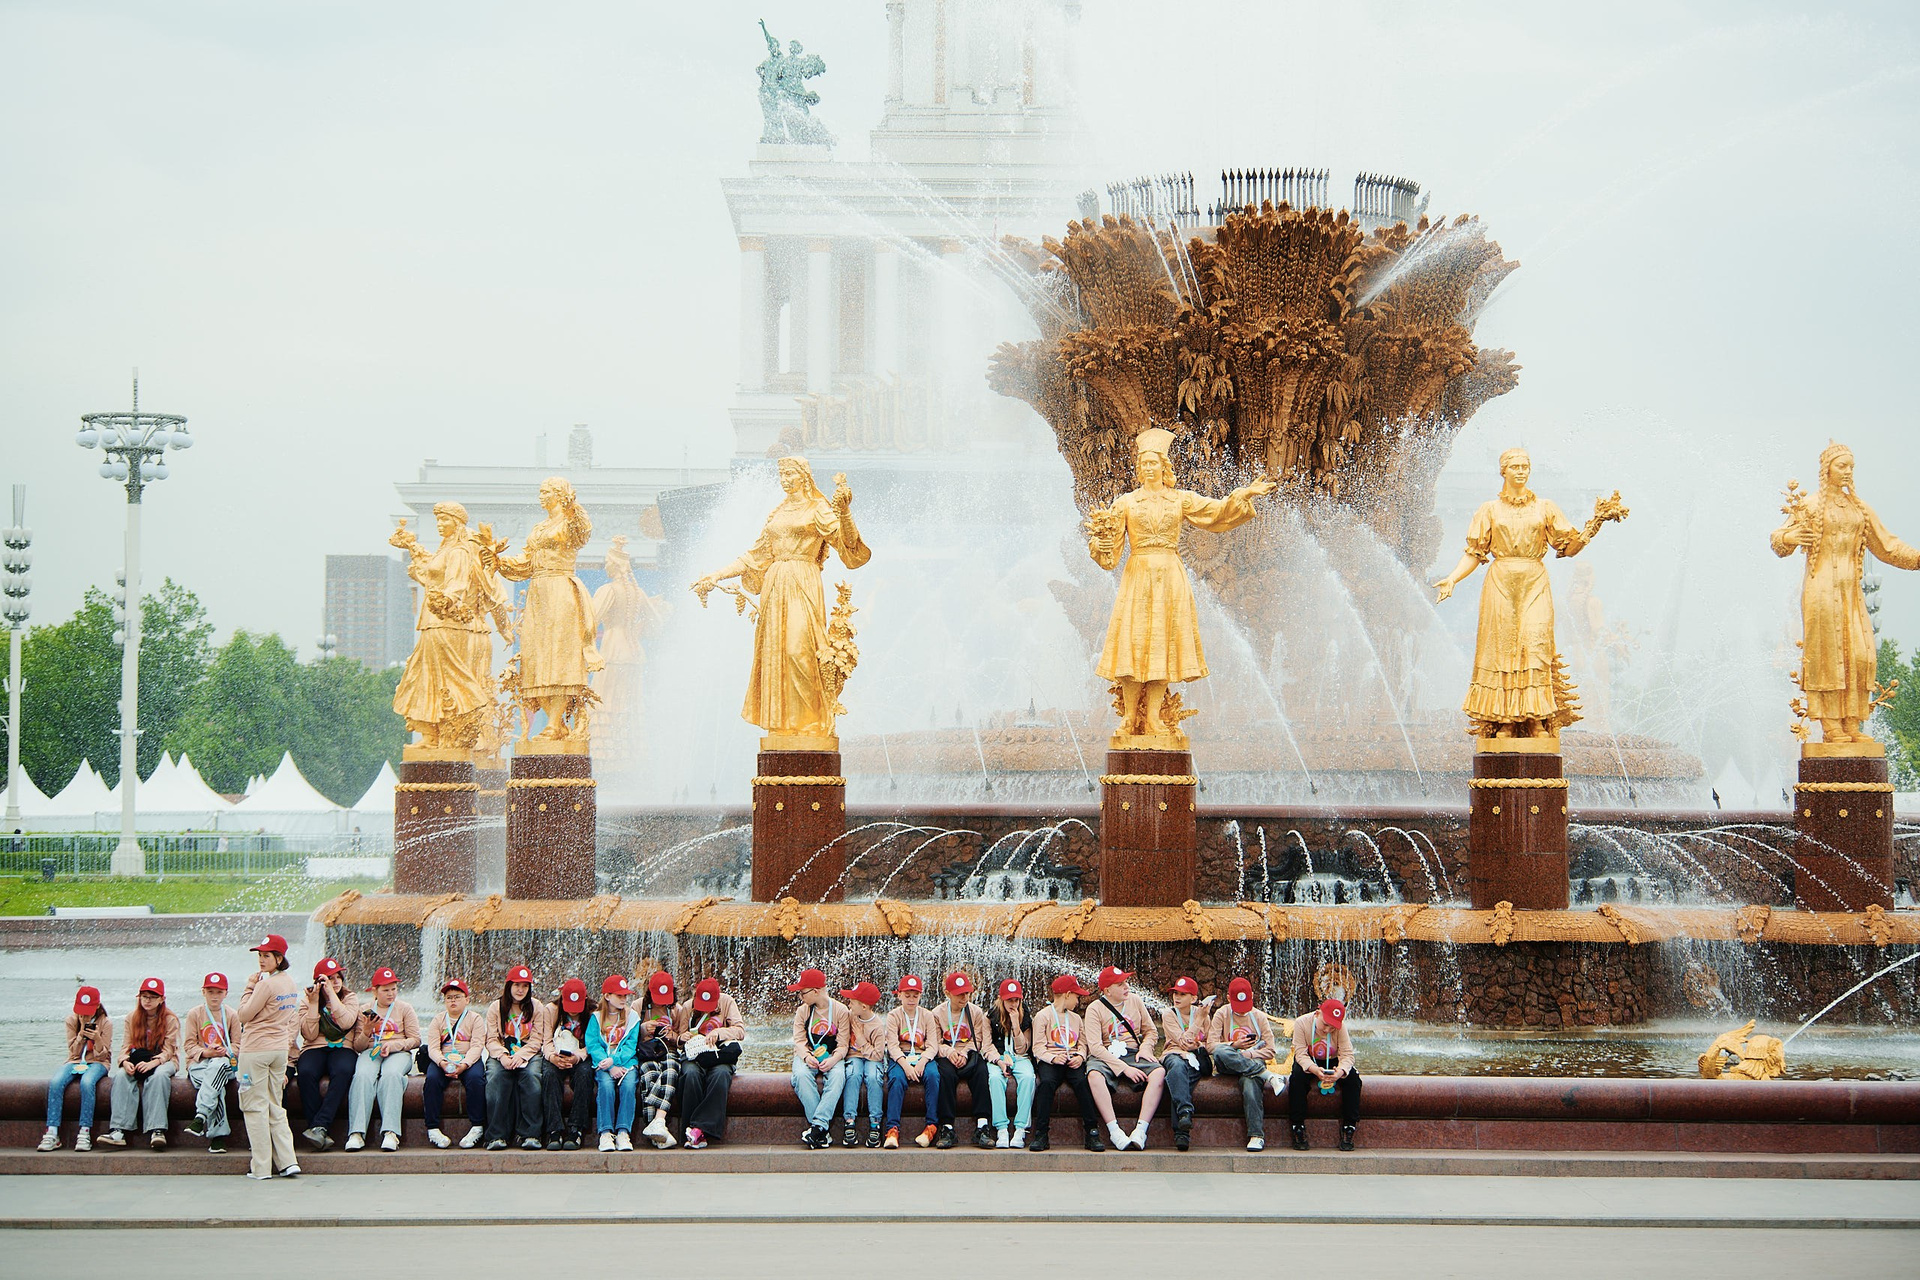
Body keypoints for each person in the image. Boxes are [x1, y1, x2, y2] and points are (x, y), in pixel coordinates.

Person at [236, 932, 303, 1179]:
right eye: (260, 956)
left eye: (267, 956)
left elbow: (244, 1015)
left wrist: (249, 987)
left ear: (279, 958)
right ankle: (287, 1161)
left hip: (256, 1050)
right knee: (275, 1104)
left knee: (254, 1107)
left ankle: (262, 1167)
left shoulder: (265, 985)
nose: (261, 960)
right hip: (278, 1050)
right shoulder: (290, 983)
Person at [1082, 965, 1166, 1151]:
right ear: (1107, 991)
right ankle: (1115, 1131)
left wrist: (1145, 1048)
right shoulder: (1094, 1008)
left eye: (1126, 982)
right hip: (1106, 1055)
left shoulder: (1135, 1000)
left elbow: (1151, 1031)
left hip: (1133, 1052)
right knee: (1094, 1076)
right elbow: (1095, 1047)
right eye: (1120, 984)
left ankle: (1141, 1130)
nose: (1126, 987)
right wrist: (1124, 1069)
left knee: (1159, 1073)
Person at [345, 965, 418, 1152]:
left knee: (392, 1075)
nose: (391, 994)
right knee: (362, 1076)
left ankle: (390, 1133)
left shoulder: (405, 1008)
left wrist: (393, 1045)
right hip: (372, 1051)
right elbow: (358, 1046)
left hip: (398, 1052)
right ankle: (356, 1133)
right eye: (386, 990)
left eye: (394, 989)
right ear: (375, 991)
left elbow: (415, 1039)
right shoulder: (364, 1010)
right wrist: (366, 1031)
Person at [101, 976, 180, 1149]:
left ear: (162, 999)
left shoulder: (170, 1019)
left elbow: (169, 1050)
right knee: (121, 1076)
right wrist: (124, 1062)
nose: (147, 1000)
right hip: (138, 1059)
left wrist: (154, 1063)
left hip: (164, 1060)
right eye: (144, 996)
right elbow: (126, 1046)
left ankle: (157, 1130)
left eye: (152, 997)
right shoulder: (132, 1017)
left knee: (159, 1077)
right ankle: (118, 1130)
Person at [1029, 975, 1101, 1152]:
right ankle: (1041, 1133)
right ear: (1067, 994)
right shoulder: (1043, 1016)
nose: (1078, 1001)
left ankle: (1092, 1132)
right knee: (1046, 1084)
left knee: (1082, 1083)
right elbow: (1037, 1047)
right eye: (1076, 996)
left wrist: (1081, 1056)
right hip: (1051, 1060)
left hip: (1072, 1059)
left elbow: (1083, 1044)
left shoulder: (1076, 1018)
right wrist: (1052, 1058)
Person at [296, 957, 360, 1150]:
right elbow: (309, 1034)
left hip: (342, 1047)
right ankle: (318, 1129)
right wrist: (314, 1003)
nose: (336, 981)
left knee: (343, 1070)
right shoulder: (307, 1001)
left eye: (338, 977)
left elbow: (346, 1022)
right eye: (330, 979)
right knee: (306, 1072)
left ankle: (319, 1126)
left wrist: (332, 995)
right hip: (314, 1047)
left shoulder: (350, 998)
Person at [39, 985, 112, 1151]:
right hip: (74, 1061)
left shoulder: (105, 1023)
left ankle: (84, 1132)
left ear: (97, 1006)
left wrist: (97, 1039)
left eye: (88, 1012)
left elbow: (103, 1056)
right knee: (56, 1082)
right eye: (81, 1012)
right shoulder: (71, 1020)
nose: (84, 1016)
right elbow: (73, 1052)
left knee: (87, 1083)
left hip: (98, 1063)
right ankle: (52, 1132)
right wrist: (81, 1036)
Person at [1210, 978, 1279, 1151]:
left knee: (1250, 1083)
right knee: (1220, 1051)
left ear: (1252, 997)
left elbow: (1271, 1050)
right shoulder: (1222, 1014)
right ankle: (1267, 1075)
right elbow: (1210, 1046)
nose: (1242, 1011)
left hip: (1251, 1063)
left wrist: (1249, 1054)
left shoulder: (1259, 1017)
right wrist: (1234, 1046)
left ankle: (1256, 1136)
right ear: (1228, 998)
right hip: (1228, 1063)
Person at [675, 977, 745, 1150]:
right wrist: (682, 1038)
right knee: (690, 1074)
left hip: (719, 1054)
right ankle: (689, 1129)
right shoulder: (687, 1006)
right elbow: (680, 1037)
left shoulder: (727, 1002)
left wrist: (720, 1033)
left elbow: (740, 1031)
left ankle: (699, 1129)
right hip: (695, 1055)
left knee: (721, 1074)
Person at [483, 965, 547, 1151]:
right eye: (517, 985)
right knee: (495, 1077)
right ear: (508, 986)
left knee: (532, 1077)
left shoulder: (536, 1007)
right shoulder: (496, 1007)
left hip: (528, 1053)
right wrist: (503, 1056)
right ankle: (496, 1135)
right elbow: (491, 1039)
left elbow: (537, 1039)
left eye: (525, 986)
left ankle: (530, 1134)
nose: (521, 990)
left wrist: (521, 1055)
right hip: (501, 1053)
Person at [933, 971, 996, 1150]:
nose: (964, 997)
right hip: (947, 1054)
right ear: (947, 993)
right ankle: (947, 1127)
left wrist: (965, 1053)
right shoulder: (937, 1013)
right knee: (945, 1075)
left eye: (967, 993)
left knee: (982, 1072)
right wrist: (950, 1052)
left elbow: (977, 1039)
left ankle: (982, 1125)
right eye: (959, 994)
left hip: (968, 1054)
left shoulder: (975, 1012)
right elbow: (935, 1042)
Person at [787, 967, 848, 1150]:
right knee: (800, 1075)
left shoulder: (841, 1010)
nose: (800, 997)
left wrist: (833, 1060)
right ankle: (821, 1130)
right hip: (808, 1055)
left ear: (815, 991)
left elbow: (843, 1045)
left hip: (832, 1056)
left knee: (838, 1076)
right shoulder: (802, 1011)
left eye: (802, 993)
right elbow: (799, 1041)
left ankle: (817, 1128)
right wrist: (806, 1057)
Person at [1289, 996, 1360, 1151]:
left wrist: (1340, 1071)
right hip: (1309, 1059)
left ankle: (1349, 1126)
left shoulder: (1341, 1028)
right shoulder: (1301, 1023)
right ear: (1317, 1014)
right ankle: (1297, 1125)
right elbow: (1300, 1053)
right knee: (1296, 1079)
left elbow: (1347, 1055)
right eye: (1325, 1024)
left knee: (1354, 1080)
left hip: (1333, 1061)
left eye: (1333, 1028)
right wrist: (1314, 1069)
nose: (1328, 1030)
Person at [423, 979, 486, 1150]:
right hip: (444, 1060)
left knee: (476, 1080)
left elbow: (477, 1046)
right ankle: (433, 1128)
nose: (453, 1000)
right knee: (432, 1080)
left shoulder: (475, 1019)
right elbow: (433, 1048)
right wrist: (442, 1062)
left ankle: (477, 1126)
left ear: (467, 999)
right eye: (449, 997)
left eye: (457, 997)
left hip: (468, 1059)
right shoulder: (438, 1020)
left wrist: (464, 1064)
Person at [182, 972, 240, 1153]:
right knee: (217, 1087)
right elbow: (189, 1045)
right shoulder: (194, 1014)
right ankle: (218, 1136)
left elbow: (238, 1045)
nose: (214, 996)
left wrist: (225, 1051)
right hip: (199, 1064)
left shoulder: (232, 1015)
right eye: (210, 992)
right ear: (203, 992)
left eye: (219, 992)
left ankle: (200, 1116)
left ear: (226, 993)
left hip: (223, 1063)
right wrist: (206, 1052)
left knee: (217, 1066)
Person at [882, 974, 940, 1149]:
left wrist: (923, 1062)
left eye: (915, 996)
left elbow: (933, 1045)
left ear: (920, 996)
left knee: (933, 1076)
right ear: (899, 995)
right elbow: (892, 1046)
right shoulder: (893, 1016)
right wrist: (906, 1066)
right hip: (901, 1057)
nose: (911, 1000)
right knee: (896, 1079)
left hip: (923, 1056)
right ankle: (892, 1129)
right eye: (907, 995)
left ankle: (931, 1126)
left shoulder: (927, 1015)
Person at [540, 978, 595, 1150]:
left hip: (580, 1055)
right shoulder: (551, 1010)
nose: (573, 1011)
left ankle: (576, 1129)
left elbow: (593, 1043)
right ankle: (554, 1130)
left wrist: (578, 1057)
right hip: (556, 1054)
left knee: (585, 1074)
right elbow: (546, 1040)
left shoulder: (593, 1012)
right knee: (549, 1075)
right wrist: (553, 1057)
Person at [1159, 975, 1212, 1152]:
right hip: (1173, 1054)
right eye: (1175, 993)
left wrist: (1198, 1045)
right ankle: (1184, 1113)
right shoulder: (1169, 1014)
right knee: (1178, 1068)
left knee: (1181, 1078)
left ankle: (1182, 1130)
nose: (1177, 997)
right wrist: (1198, 1022)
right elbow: (1182, 1042)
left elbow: (1209, 1042)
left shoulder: (1203, 1014)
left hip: (1195, 1059)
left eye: (1182, 994)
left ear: (1194, 998)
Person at [588, 975, 640, 1151]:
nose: (623, 999)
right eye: (619, 996)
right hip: (603, 1064)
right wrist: (609, 1065)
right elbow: (593, 1044)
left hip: (627, 1063)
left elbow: (631, 1046)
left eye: (625, 996)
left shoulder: (632, 1017)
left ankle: (623, 1132)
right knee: (605, 1085)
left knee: (629, 1086)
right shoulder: (596, 1018)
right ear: (607, 996)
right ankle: (605, 1132)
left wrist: (615, 1060)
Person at [985, 979, 1035, 1150]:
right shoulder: (990, 1015)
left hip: (1019, 1057)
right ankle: (1001, 1128)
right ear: (1001, 999)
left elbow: (1022, 1049)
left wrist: (1016, 1025)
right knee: (995, 1079)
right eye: (1009, 1000)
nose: (1013, 1004)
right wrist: (999, 1062)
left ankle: (1021, 1128)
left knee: (1028, 1077)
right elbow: (986, 1045)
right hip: (998, 1057)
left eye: (1016, 1000)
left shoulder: (1025, 1014)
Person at [634, 971, 682, 1149]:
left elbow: (681, 1039)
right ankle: (656, 1132)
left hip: (668, 1050)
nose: (661, 1002)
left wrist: (671, 1035)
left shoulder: (677, 1009)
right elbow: (628, 1036)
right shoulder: (638, 1006)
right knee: (650, 1075)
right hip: (647, 1052)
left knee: (671, 1069)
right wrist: (643, 1028)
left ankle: (658, 1122)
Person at [838, 980, 887, 1148]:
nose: (849, 1005)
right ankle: (849, 1121)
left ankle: (875, 1123)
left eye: (852, 1002)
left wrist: (860, 1039)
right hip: (854, 1057)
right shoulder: (851, 1015)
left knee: (873, 1077)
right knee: (852, 1075)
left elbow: (878, 1054)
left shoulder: (877, 1026)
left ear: (864, 1006)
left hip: (872, 1058)